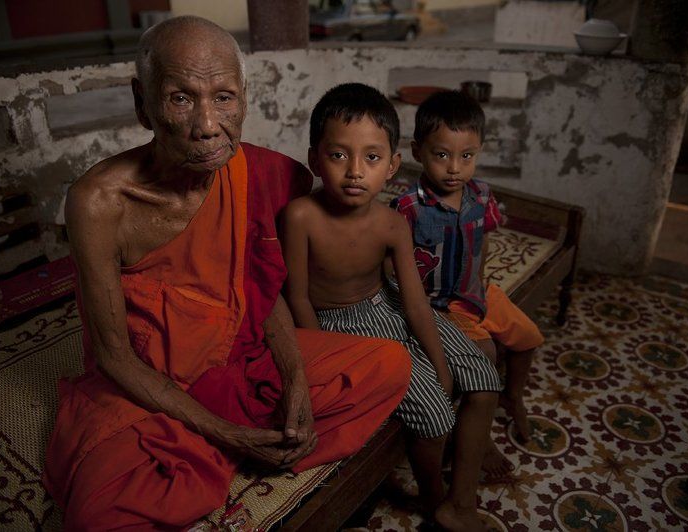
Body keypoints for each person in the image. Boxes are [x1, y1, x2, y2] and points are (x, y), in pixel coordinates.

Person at [43, 17, 411, 530]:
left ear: (244, 97)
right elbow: (113, 357)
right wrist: (227, 433)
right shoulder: (99, 203)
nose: (208, 125)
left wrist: (295, 379)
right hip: (150, 388)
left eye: (223, 98)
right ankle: (225, 446)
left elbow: (261, 288)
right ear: (142, 103)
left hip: (238, 359)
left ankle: (214, 452)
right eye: (180, 98)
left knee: (388, 364)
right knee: (98, 516)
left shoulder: (260, 173)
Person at [280, 82, 502, 532]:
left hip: (392, 303)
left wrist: (440, 363)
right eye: (338, 155)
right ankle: (434, 499)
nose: (355, 171)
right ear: (314, 159)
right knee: (435, 415)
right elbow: (297, 297)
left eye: (372, 157)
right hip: (341, 325)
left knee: (484, 378)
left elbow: (416, 303)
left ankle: (462, 500)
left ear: (393, 165)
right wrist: (325, 360)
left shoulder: (392, 223)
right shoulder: (300, 217)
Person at [391, 90, 544, 469]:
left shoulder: (482, 195)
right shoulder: (408, 208)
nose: (455, 168)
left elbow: (484, 241)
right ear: (417, 151)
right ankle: (474, 433)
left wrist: (481, 283)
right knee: (485, 354)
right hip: (439, 305)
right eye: (442, 155)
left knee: (529, 338)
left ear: (479, 152)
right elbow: (393, 267)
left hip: (475, 293)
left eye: (467, 156)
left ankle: (513, 396)